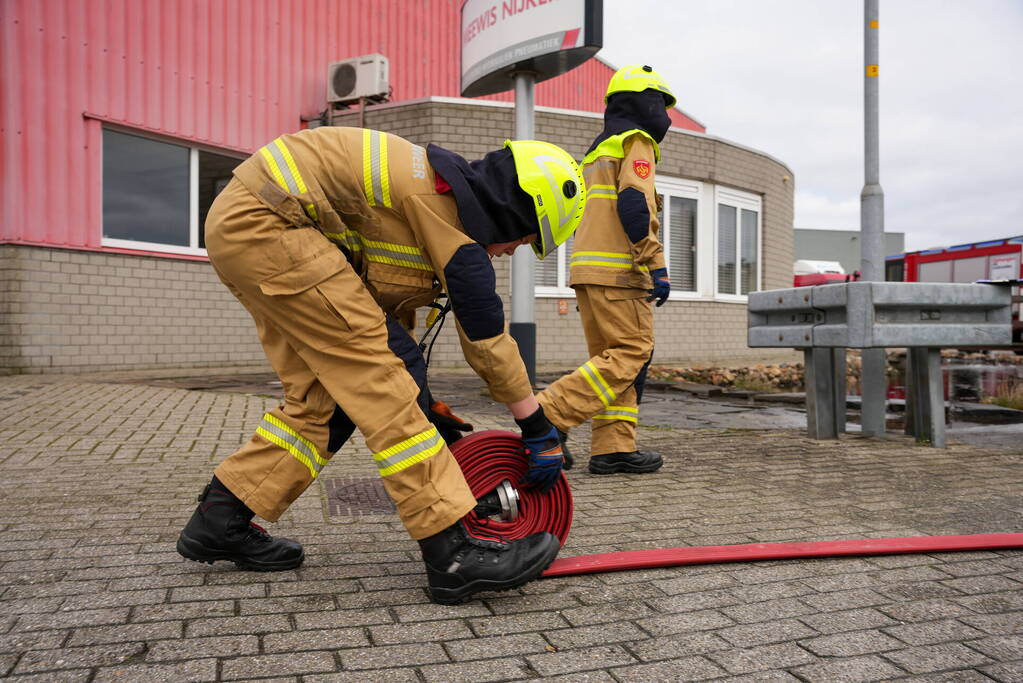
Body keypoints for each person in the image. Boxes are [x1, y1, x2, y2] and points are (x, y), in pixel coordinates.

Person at [176, 126, 585, 604]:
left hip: (250, 226)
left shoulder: (437, 201)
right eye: (523, 240)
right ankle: (452, 553)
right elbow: (487, 343)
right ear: (516, 211)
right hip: (273, 224)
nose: (513, 251)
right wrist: (537, 430)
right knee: (383, 387)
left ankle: (220, 520)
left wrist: (427, 402)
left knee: (324, 402)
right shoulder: (449, 222)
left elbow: (387, 321)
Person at [538, 65, 675, 475]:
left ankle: (613, 448)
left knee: (610, 360)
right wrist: (656, 263)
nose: (665, 115)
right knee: (632, 354)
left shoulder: (597, 150)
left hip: (588, 272)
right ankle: (547, 414)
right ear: (645, 103)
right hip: (621, 273)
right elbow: (635, 205)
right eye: (661, 104)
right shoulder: (636, 142)